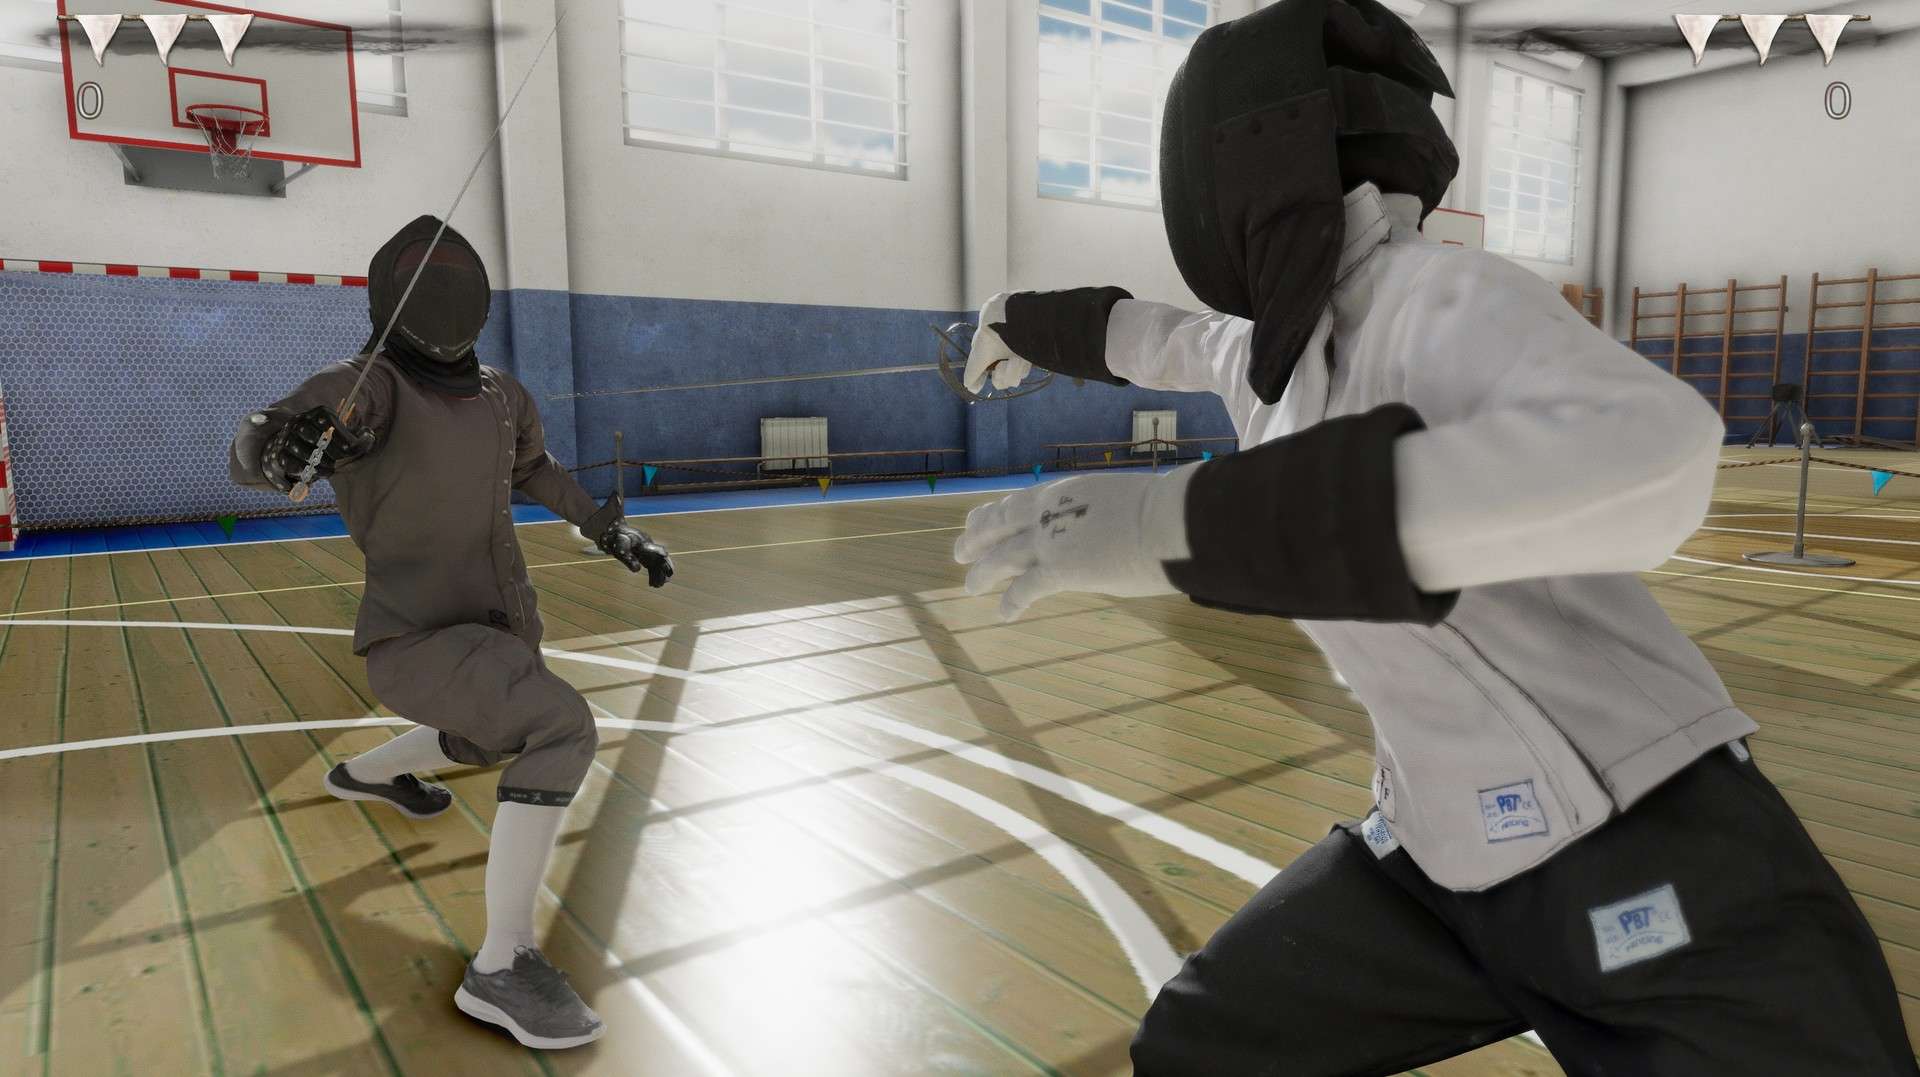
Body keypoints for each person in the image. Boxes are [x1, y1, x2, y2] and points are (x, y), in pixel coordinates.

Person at [951, 1, 1919, 1073]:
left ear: (1245, 162)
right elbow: (1160, 337)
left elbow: (1656, 447)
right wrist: (1016, 319)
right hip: (1439, 852)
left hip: (1646, 832)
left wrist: (1174, 526)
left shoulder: (1443, 295)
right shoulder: (1273, 356)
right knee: (1201, 1048)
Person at [230, 215, 673, 1051]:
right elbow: (257, 443)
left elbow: (535, 468)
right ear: (392, 297)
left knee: (487, 738)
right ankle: (502, 965)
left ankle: (365, 773)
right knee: (560, 726)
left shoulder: (503, 394)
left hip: (499, 618)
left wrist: (608, 529)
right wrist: (282, 449)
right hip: (414, 639)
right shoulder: (364, 386)